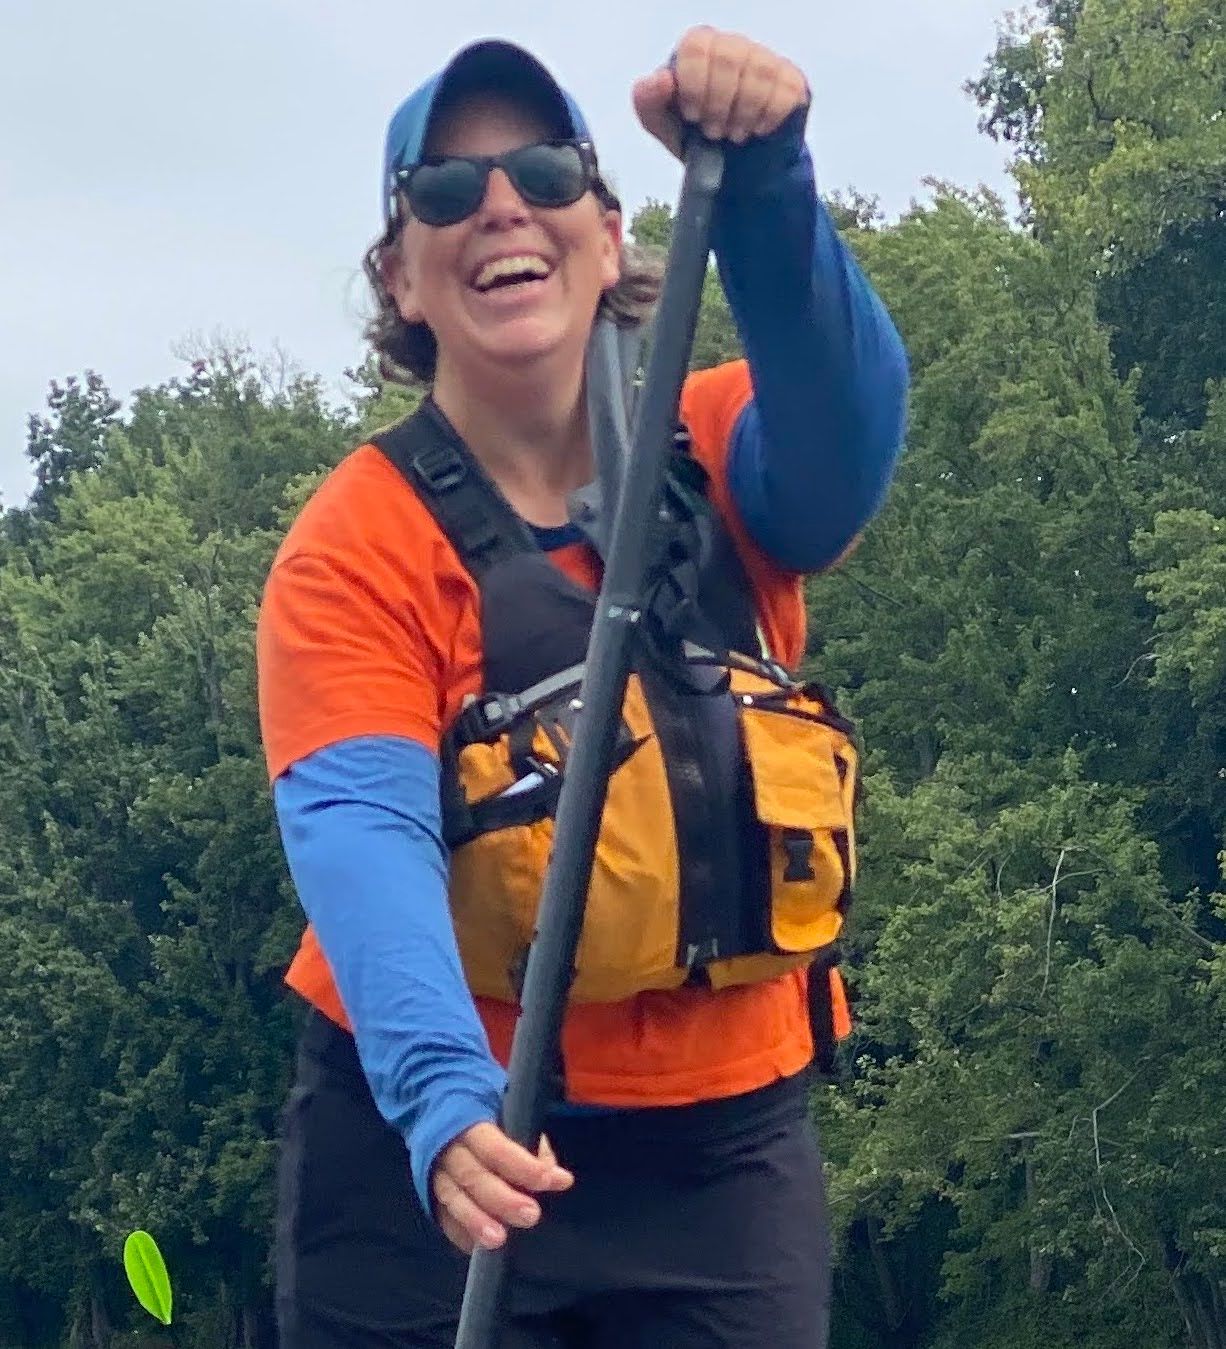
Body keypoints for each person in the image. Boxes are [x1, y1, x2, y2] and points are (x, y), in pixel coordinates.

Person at [258, 25, 908, 1349]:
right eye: (444, 189)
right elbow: (361, 836)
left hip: (721, 1157)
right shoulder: (353, 544)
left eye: (546, 171)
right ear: (402, 279)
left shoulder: (728, 449)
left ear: (608, 236)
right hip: (440, 1155)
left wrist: (769, 178)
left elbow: (845, 447)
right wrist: (445, 1102)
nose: (500, 202)